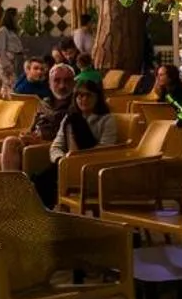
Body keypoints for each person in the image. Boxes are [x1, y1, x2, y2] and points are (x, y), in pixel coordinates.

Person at [31, 75, 118, 206]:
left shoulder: (107, 120)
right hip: (66, 162)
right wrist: (62, 160)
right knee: (44, 180)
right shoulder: (69, 118)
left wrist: (76, 159)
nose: (83, 99)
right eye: (79, 96)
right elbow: (56, 146)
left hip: (90, 164)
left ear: (97, 97)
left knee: (43, 180)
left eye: (88, 95)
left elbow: (105, 149)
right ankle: (45, 213)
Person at [0, 7, 27, 95]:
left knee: (11, 86)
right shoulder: (3, 30)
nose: (18, 18)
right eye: (16, 16)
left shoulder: (11, 31)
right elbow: (1, 49)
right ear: (11, 17)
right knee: (10, 86)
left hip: (15, 61)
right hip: (7, 63)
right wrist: (6, 64)